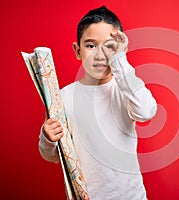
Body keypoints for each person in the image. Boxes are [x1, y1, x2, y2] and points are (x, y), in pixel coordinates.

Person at [38, 5, 157, 200]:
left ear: (120, 50)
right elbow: (52, 156)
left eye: (109, 46)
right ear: (78, 51)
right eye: (91, 46)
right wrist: (48, 138)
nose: (100, 55)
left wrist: (119, 60)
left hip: (131, 196)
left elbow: (145, 111)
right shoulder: (63, 97)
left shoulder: (126, 89)